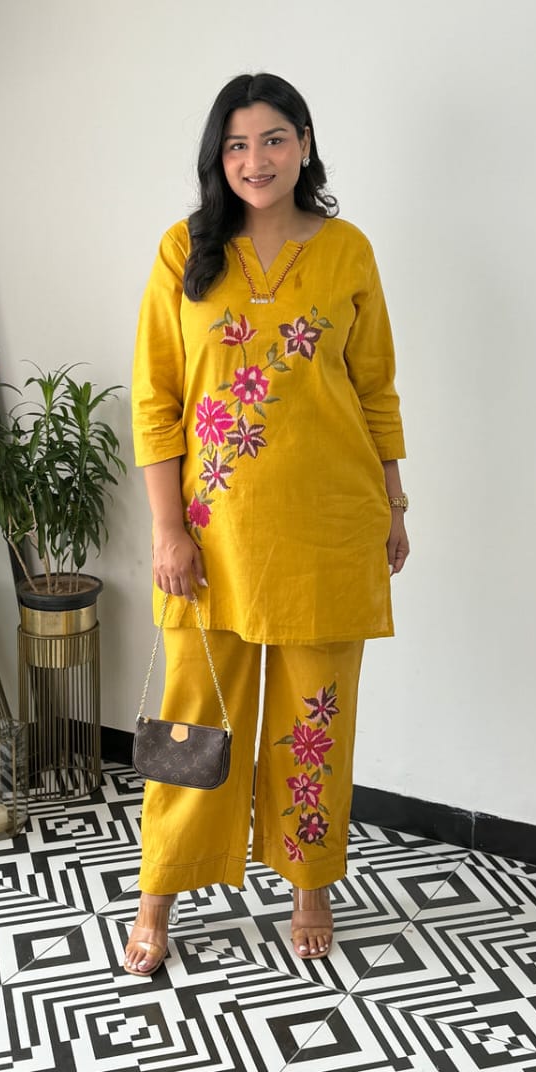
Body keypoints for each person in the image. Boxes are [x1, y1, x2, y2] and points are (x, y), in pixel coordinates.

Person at [127, 72, 408, 975]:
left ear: (305, 144)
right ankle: (159, 891)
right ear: (218, 156)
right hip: (212, 539)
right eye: (237, 144)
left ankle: (309, 884)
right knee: (192, 724)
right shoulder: (185, 251)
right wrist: (167, 531)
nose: (256, 160)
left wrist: (394, 501)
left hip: (329, 529)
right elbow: (155, 399)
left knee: (314, 721)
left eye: (274, 139)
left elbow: (373, 387)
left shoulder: (347, 250)